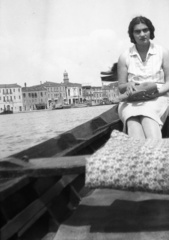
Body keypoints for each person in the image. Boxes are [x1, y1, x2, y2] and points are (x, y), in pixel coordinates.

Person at [117, 16, 169, 139]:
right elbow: (121, 87)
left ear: (150, 31)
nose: (142, 34)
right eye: (137, 31)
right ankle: (146, 155)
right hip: (131, 100)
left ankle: (153, 154)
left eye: (145, 30)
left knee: (148, 118)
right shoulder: (125, 56)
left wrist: (157, 93)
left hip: (157, 97)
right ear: (132, 35)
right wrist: (128, 85)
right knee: (132, 121)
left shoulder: (162, 52)